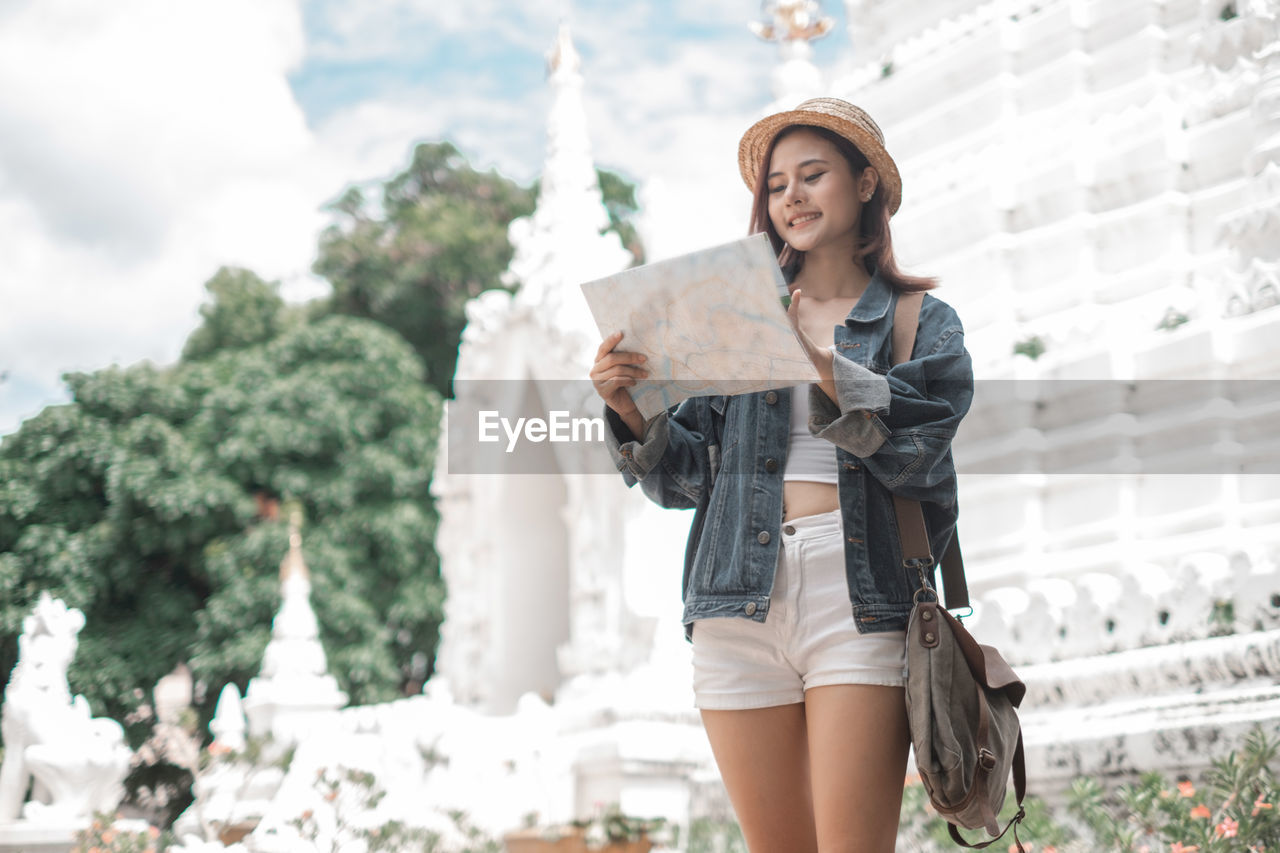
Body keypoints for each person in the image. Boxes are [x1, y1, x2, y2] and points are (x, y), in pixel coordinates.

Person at [589, 98, 973, 853]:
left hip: (858, 596)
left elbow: (922, 448)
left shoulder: (920, 321)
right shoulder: (729, 316)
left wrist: (825, 367)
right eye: (775, 185)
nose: (790, 197)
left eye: (812, 175)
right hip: (734, 594)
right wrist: (629, 411)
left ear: (866, 184)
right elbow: (687, 479)